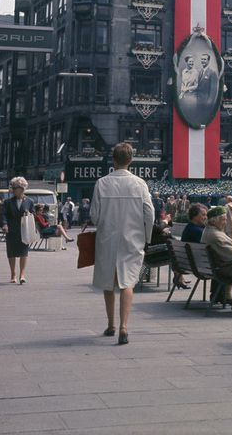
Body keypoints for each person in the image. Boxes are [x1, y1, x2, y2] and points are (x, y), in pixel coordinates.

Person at [90, 142, 154, 345]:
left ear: (113, 159)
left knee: (109, 281)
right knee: (128, 282)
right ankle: (124, 327)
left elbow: (94, 215)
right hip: (132, 238)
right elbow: (149, 213)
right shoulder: (140, 183)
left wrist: (102, 224)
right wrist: (147, 235)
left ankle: (111, 324)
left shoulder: (102, 183)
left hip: (107, 238)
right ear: (131, 160)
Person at [0, 177, 35, 283]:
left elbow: (33, 214)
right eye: (14, 188)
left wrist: (28, 214)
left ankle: (22, 274)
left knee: (24, 252)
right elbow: (4, 215)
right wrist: (5, 224)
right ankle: (13, 274)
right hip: (11, 230)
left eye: (16, 188)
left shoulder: (30, 201)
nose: (14, 190)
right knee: (11, 253)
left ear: (23, 189)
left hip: (24, 231)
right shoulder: (7, 202)